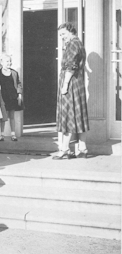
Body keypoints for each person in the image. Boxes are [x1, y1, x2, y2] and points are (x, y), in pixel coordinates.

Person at [53, 22, 89, 160]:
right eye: (60, 34)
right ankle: (82, 148)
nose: (62, 37)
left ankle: (65, 149)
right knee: (78, 115)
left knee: (67, 114)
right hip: (76, 83)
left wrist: (65, 84)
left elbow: (71, 66)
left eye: (63, 34)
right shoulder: (78, 43)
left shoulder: (74, 44)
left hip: (71, 84)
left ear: (70, 31)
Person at [0, 54, 23, 141]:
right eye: (7, 61)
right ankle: (1, 135)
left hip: (12, 97)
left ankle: (13, 134)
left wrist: (19, 94)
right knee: (3, 117)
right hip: (3, 97)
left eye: (10, 61)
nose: (9, 63)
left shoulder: (14, 73)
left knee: (12, 116)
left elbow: (18, 83)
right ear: (1, 62)